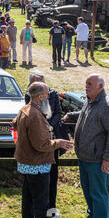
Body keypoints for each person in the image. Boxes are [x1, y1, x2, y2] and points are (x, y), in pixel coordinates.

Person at [11, 82, 73, 218]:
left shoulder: (25, 109)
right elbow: (42, 145)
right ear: (40, 97)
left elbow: (15, 123)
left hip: (26, 162)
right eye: (47, 93)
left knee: (28, 196)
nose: (49, 96)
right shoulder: (35, 115)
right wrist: (58, 142)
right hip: (37, 164)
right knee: (41, 201)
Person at [62, 74, 109, 218]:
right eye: (86, 83)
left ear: (100, 87)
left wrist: (107, 158)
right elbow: (85, 114)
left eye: (90, 84)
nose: (86, 86)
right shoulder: (91, 100)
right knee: (89, 191)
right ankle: (93, 217)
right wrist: (71, 115)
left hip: (98, 160)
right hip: (86, 157)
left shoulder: (108, 106)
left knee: (99, 193)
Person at [25, 71, 70, 210]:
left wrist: (49, 126)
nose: (40, 86)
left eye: (42, 83)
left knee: (52, 175)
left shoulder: (53, 93)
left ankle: (51, 207)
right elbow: (30, 113)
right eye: (36, 83)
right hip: (36, 140)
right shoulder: (29, 95)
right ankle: (36, 209)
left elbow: (58, 113)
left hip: (52, 138)